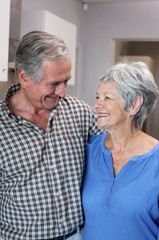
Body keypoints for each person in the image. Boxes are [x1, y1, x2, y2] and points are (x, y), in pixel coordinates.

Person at [0, 31, 102, 240]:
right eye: (54, 84)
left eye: (66, 81)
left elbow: (117, 150)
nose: (63, 92)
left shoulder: (81, 112)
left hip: (78, 235)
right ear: (24, 77)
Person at [82, 60, 159, 240]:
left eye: (107, 98)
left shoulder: (157, 162)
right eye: (97, 97)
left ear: (134, 105)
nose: (97, 105)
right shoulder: (89, 150)